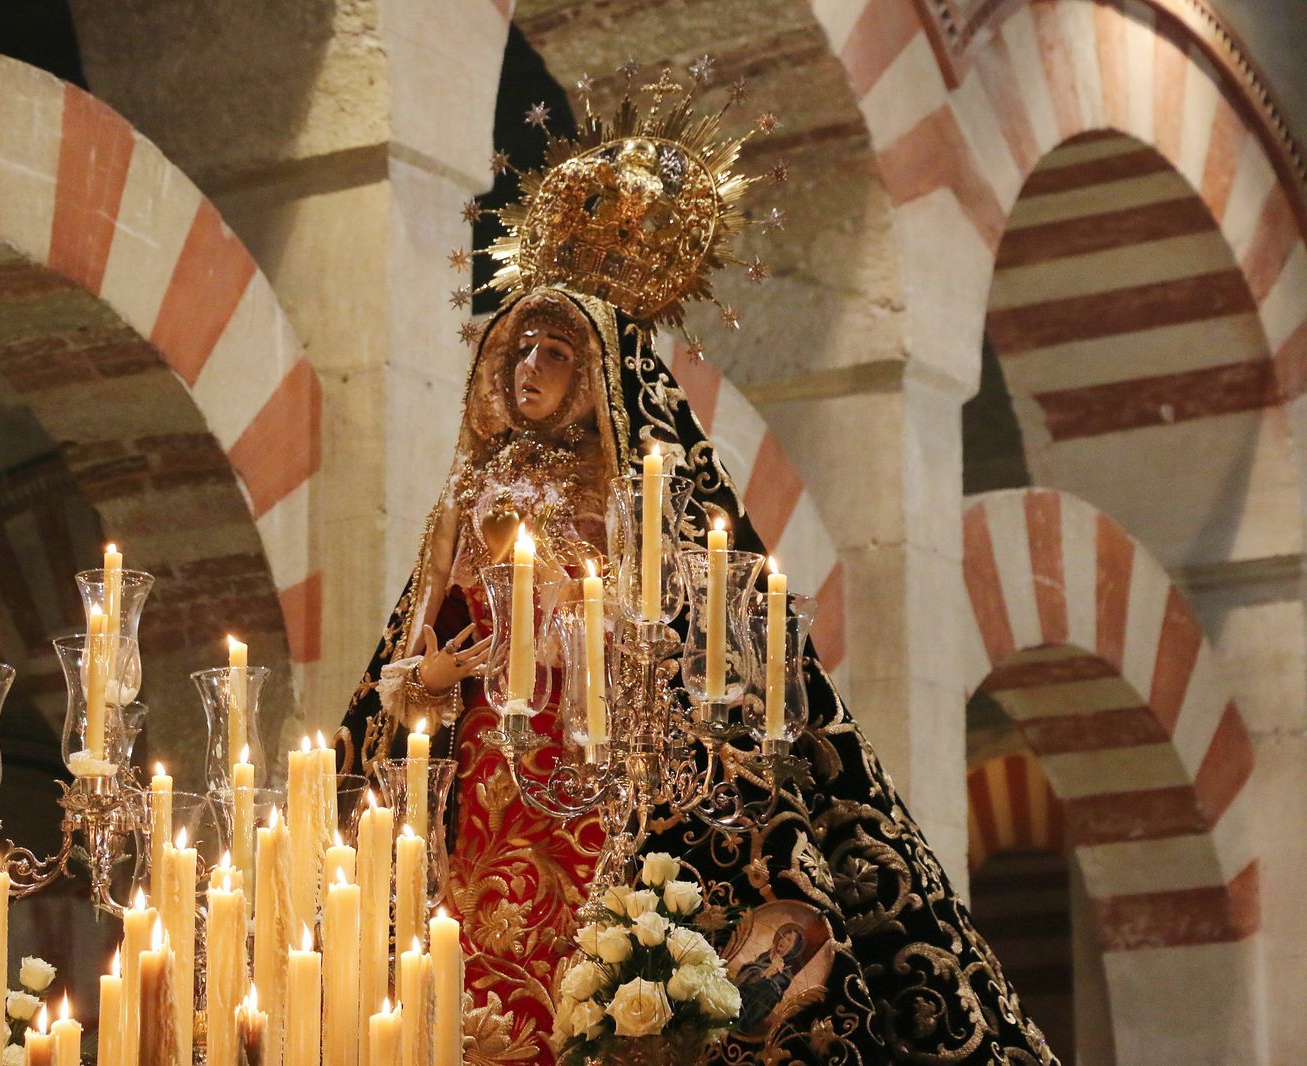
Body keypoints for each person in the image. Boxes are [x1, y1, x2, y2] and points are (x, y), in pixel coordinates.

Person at [337, 66, 1057, 1066]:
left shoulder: (655, 514)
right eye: (515, 352)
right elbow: (397, 679)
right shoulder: (463, 511)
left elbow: (711, 681)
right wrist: (428, 684)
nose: (526, 372)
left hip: (609, 805)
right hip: (482, 813)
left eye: (552, 352)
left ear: (602, 376)